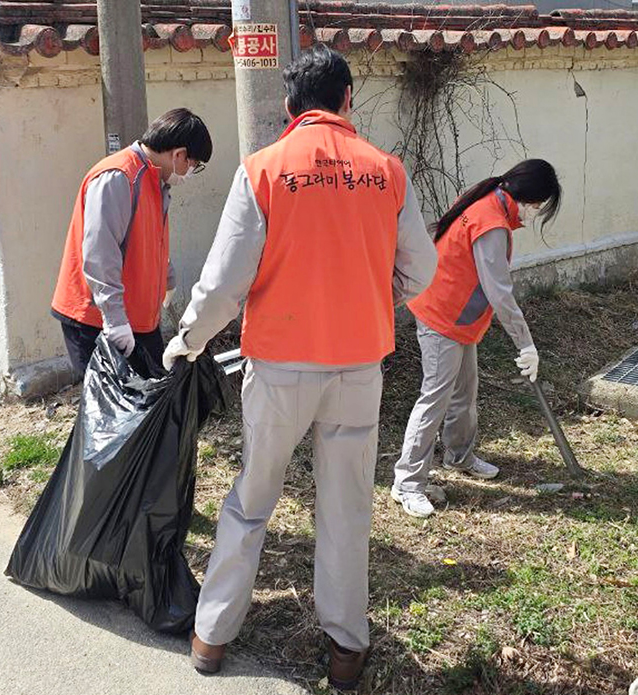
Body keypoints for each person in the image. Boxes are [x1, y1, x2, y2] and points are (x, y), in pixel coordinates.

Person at [161, 46, 437, 690]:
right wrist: (376, 297)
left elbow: (225, 282)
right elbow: (421, 271)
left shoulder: (264, 169)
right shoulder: (387, 172)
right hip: (358, 366)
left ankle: (212, 637)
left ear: (289, 108)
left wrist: (189, 341)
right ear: (348, 101)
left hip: (280, 365)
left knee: (253, 499)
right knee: (346, 508)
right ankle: (346, 648)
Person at [391, 160, 562, 518]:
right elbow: (499, 292)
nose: (535, 214)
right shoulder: (491, 223)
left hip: (457, 318)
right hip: (442, 317)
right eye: (537, 206)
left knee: (464, 391)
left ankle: (459, 457)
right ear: (529, 198)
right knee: (435, 397)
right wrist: (525, 343)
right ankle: (407, 482)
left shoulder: (489, 203)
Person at [50, 108, 212, 378]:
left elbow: (150, 240)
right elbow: (100, 254)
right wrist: (114, 320)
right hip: (96, 319)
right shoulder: (119, 177)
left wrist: (166, 278)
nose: (191, 172)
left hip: (137, 318)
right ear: (179, 154)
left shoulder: (156, 181)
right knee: (109, 413)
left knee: (146, 406)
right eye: (194, 165)